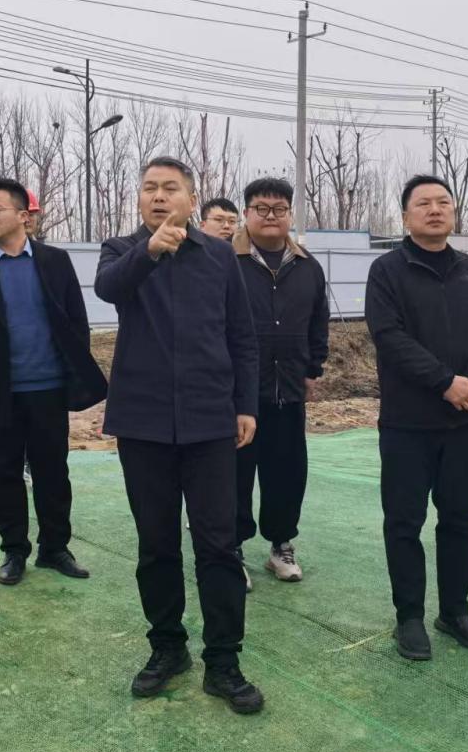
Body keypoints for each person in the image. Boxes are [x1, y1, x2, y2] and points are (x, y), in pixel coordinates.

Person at [95, 156, 263, 714]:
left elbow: (241, 335)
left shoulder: (219, 255)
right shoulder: (122, 250)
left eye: (171, 188)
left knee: (218, 545)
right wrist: (149, 251)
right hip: (142, 423)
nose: (159, 196)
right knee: (157, 544)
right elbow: (108, 289)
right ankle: (167, 647)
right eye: (150, 188)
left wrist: (245, 405)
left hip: (210, 421)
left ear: (192, 200)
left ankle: (224, 661)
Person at [365, 175, 468, 661]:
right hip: (408, 422)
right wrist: (445, 381)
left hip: (466, 421)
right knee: (404, 521)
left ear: (453, 212)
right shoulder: (388, 270)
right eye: (423, 203)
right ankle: (409, 616)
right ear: (406, 216)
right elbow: (389, 336)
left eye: (443, 201)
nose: (434, 209)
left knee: (459, 519)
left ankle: (454, 611)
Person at [0, 179, 107, 586]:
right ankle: (14, 550)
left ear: (23, 215)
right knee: (4, 474)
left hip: (48, 389)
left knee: (53, 473)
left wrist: (73, 374)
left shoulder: (55, 261)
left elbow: (76, 321)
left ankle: (55, 548)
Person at [232, 176, 330, 589]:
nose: (270, 216)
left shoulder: (307, 267)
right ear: (246, 213)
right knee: (234, 475)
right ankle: (232, 549)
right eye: (261, 208)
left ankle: (280, 545)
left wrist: (312, 368)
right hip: (236, 394)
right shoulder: (225, 261)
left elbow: (319, 322)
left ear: (290, 214)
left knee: (287, 473)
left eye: (279, 209)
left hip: (288, 389)